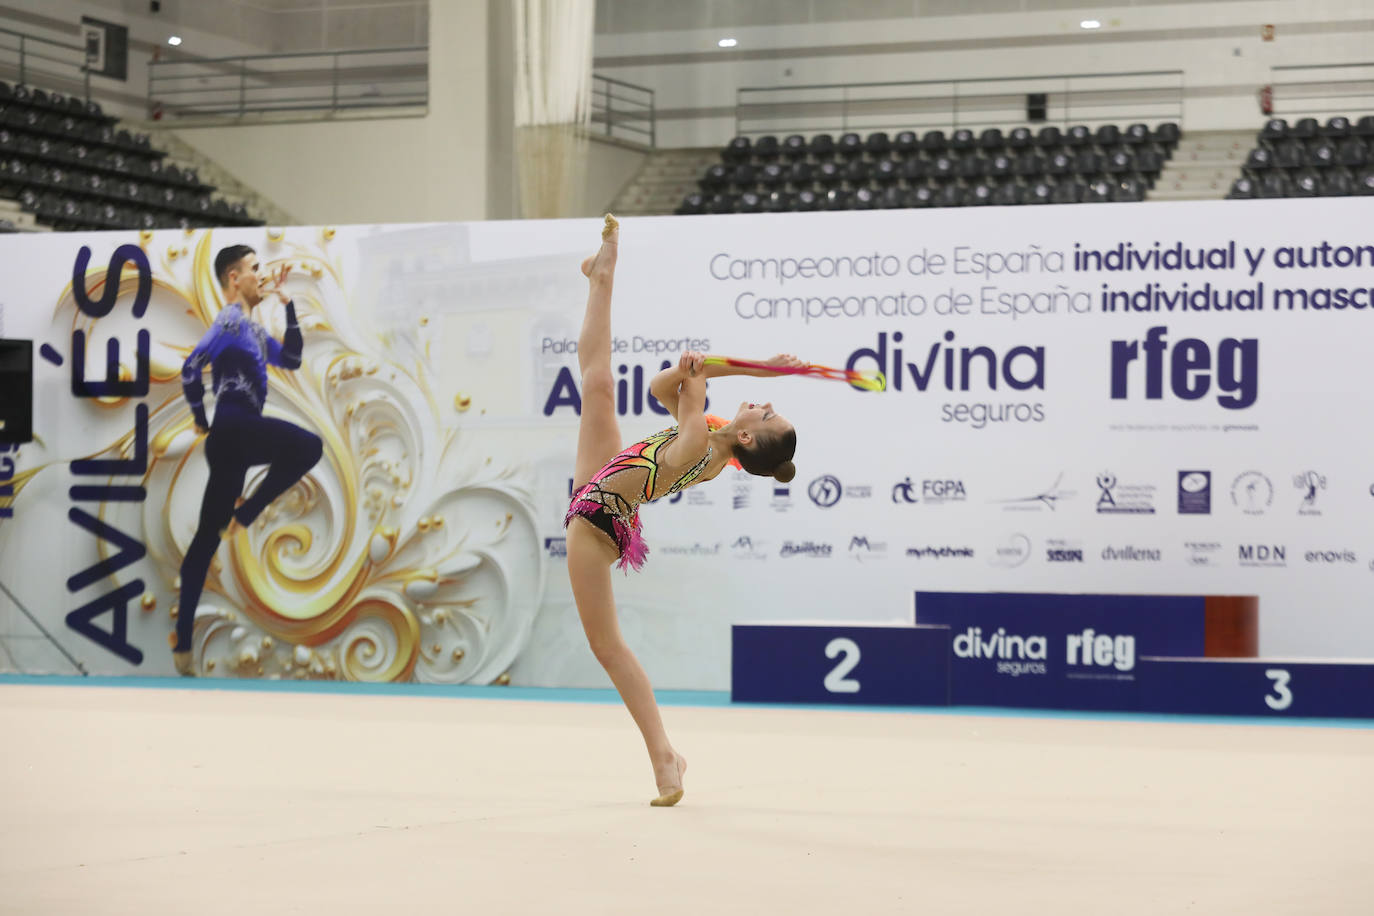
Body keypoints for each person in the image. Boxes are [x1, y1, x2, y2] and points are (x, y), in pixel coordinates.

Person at [564, 214, 801, 806]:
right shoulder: (719, 441)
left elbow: (682, 393)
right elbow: (662, 387)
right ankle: (602, 273)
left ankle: (665, 758)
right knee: (597, 384)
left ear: (748, 439)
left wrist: (703, 375)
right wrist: (737, 369)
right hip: (603, 484)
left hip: (598, 523)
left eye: (768, 414)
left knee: (607, 647)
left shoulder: (703, 443)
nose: (766, 405)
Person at [172, 245, 323, 676]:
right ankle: (249, 510)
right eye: (255, 268)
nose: (263, 274)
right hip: (232, 432)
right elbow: (190, 368)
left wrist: (290, 308)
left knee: (207, 538)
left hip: (236, 440)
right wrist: (202, 420)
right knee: (308, 446)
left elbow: (292, 358)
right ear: (234, 278)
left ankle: (182, 646)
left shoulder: (253, 333)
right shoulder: (230, 320)